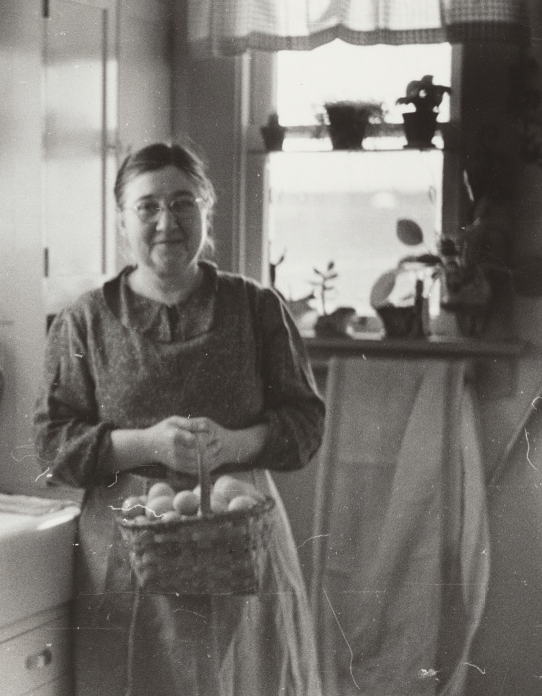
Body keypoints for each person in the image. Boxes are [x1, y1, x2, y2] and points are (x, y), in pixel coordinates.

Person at [34, 141, 324, 696]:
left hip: (242, 546)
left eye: (183, 203)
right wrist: (147, 444)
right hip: (127, 560)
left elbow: (306, 423)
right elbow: (52, 444)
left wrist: (234, 444)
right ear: (122, 219)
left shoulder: (256, 307)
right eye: (147, 207)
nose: (167, 222)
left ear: (206, 209)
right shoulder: (85, 322)